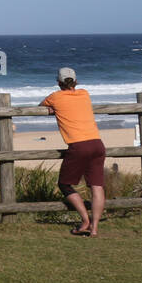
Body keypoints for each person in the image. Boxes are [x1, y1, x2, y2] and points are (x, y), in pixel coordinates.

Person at [40, 67, 106, 237]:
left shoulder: (55, 97)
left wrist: (52, 109)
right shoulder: (85, 93)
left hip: (78, 145)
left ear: (58, 82)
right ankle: (95, 228)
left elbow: (41, 106)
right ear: (76, 81)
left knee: (64, 184)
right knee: (97, 186)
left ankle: (85, 221)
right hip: (97, 144)